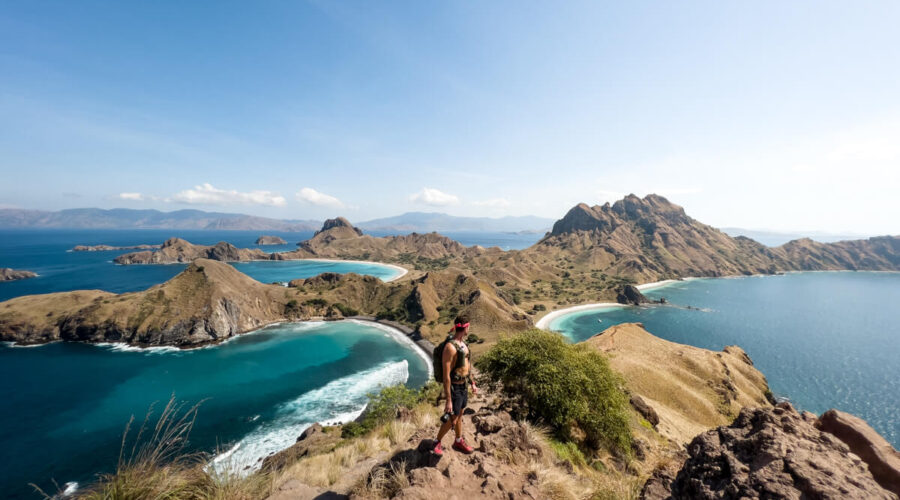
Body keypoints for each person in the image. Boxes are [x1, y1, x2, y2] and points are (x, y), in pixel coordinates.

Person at [433, 315, 478, 456]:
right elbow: (446, 376)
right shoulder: (449, 348)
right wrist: (448, 400)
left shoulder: (464, 345)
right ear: (464, 327)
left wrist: (472, 383)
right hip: (454, 388)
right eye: (468, 327)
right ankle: (436, 441)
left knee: (460, 414)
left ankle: (458, 440)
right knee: (453, 418)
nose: (469, 329)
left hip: (463, 385)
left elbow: (467, 367)